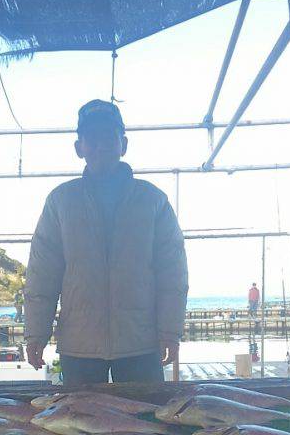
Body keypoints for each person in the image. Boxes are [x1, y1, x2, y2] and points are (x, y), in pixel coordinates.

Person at [25, 99, 188, 386]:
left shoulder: (154, 201)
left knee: (145, 425)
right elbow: (42, 275)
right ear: (79, 148)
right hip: (79, 345)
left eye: (109, 136)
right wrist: (36, 334)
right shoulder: (60, 202)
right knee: (79, 429)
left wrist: (170, 332)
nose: (101, 145)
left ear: (123, 143)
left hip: (141, 343)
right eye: (92, 138)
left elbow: (172, 273)